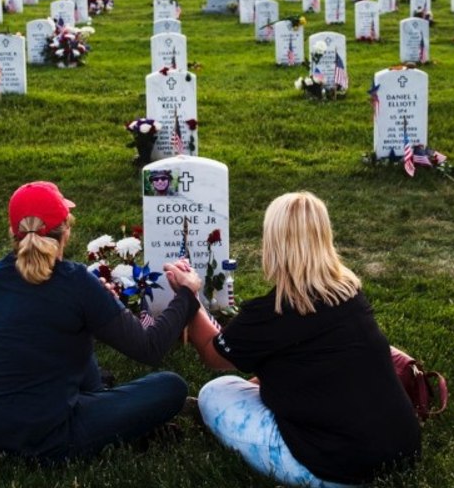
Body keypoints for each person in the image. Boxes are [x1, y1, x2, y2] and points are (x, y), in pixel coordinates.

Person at [172, 192, 421, 487]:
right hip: (402, 448)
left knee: (215, 392)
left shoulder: (273, 311)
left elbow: (213, 356)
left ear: (273, 243)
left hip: (335, 467)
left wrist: (189, 297)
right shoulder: (350, 293)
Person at [0, 181, 202, 461]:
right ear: (66, 231)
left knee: (79, 361)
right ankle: (125, 423)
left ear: (14, 232)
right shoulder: (76, 282)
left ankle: (109, 410)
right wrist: (187, 294)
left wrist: (97, 306)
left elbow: (48, 320)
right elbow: (150, 348)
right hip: (45, 438)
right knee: (172, 386)